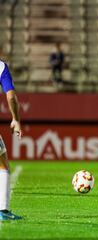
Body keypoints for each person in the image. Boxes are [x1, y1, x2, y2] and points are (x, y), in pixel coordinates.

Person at [0, 60, 22, 220]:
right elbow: (12, 97)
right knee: (2, 163)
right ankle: (3, 211)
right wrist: (16, 119)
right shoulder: (1, 66)